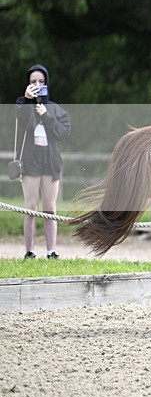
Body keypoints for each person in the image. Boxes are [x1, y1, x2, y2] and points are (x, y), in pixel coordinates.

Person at [16, 64, 71, 259]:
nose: (37, 85)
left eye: (41, 81)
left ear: (47, 83)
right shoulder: (22, 104)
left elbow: (63, 132)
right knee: (30, 207)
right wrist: (29, 103)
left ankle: (51, 251)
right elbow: (25, 125)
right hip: (30, 161)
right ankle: (29, 251)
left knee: (50, 208)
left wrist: (46, 115)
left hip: (50, 161)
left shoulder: (55, 108)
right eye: (33, 82)